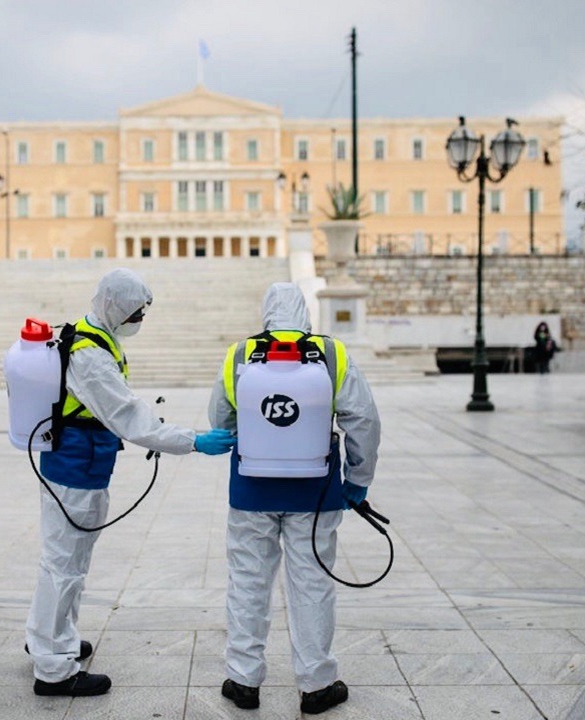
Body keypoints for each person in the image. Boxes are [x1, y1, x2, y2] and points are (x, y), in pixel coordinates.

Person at [27, 268, 235, 697]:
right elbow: (127, 418)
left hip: (81, 464)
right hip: (74, 469)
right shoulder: (90, 355)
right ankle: (52, 668)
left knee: (66, 562)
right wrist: (192, 440)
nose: (140, 319)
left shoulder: (94, 334)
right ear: (116, 308)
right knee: (63, 565)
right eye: (135, 312)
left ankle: (52, 639)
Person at [207, 283, 380, 715]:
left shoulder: (240, 354)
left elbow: (220, 419)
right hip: (315, 493)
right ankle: (317, 685)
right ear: (305, 313)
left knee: (249, 583)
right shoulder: (332, 355)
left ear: (266, 312)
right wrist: (357, 479)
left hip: (251, 491)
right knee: (312, 584)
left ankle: (243, 680)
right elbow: (364, 420)